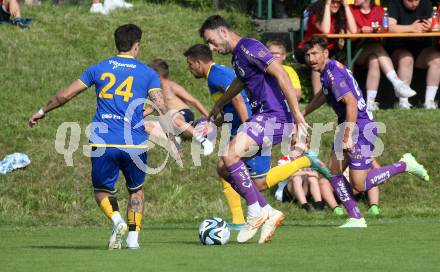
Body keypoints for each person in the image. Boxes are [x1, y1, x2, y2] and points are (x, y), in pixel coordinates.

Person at [28, 24, 169, 250]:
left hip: (104, 141)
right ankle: (133, 240)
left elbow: (65, 95)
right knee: (136, 189)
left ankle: (117, 220)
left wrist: (43, 111)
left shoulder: (99, 68)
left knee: (102, 190)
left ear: (117, 44)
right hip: (135, 142)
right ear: (137, 46)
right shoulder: (148, 73)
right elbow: (162, 106)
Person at [199, 15, 331, 243]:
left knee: (230, 155)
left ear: (223, 31)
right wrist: (220, 103)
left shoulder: (249, 46)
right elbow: (240, 82)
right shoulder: (237, 57)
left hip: (275, 117)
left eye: (211, 41)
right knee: (225, 168)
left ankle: (255, 213)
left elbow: (279, 73)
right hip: (264, 117)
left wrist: (297, 113)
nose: (211, 47)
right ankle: (267, 211)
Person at [302, 35, 429, 228]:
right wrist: (303, 112)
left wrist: (347, 137)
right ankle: (355, 216)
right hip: (347, 124)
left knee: (359, 185)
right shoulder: (328, 70)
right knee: (334, 172)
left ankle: (403, 165)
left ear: (325, 53)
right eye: (308, 55)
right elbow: (323, 94)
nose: (311, 59)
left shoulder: (332, 72)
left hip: (360, 127)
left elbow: (351, 102)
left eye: (314, 54)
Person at [184, 44, 272, 230]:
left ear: (198, 63)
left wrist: (246, 126)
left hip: (250, 129)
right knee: (224, 168)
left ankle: (266, 211)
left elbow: (238, 99)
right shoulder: (215, 76)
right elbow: (229, 110)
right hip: (245, 127)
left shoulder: (217, 75)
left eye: (190, 64)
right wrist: (212, 125)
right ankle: (264, 210)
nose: (189, 69)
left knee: (258, 183)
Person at [350, 0, 416, 112]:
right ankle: (397, 83)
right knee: (376, 47)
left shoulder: (379, 10)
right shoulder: (351, 10)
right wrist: (360, 31)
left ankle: (370, 103)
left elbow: (385, 30)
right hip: (355, 52)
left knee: (374, 60)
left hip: (375, 53)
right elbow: (349, 33)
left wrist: (378, 30)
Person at [144, 58, 213, 155]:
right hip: (168, 122)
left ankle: (205, 142)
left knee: (172, 115)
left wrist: (210, 119)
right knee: (144, 125)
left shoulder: (171, 86)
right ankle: (173, 139)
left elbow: (194, 101)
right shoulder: (155, 91)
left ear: (156, 75)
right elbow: (150, 109)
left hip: (183, 115)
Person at [296, 0, 358, 96]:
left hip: (329, 50)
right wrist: (327, 5)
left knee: (347, 60)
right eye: (333, 2)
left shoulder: (339, 15)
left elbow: (354, 31)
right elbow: (326, 30)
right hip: (308, 50)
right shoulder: (316, 14)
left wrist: (346, 6)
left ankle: (348, 93)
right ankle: (318, 97)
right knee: (318, 60)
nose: (336, 5)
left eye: (339, 2)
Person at [388, 0, 440, 109]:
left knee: (437, 59)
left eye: (417, 0)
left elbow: (433, 25)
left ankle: (429, 102)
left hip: (422, 50)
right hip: (398, 49)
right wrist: (411, 28)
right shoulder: (394, 3)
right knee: (407, 59)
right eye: (411, 0)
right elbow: (389, 27)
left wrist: (430, 27)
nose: (415, 3)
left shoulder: (426, 3)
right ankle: (403, 102)